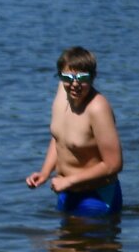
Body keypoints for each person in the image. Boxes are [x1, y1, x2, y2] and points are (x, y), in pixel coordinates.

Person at [26, 47, 123, 217]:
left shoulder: (98, 108)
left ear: (93, 77)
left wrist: (69, 181)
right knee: (58, 243)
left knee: (79, 241)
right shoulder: (62, 94)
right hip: (66, 192)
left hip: (96, 196)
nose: (75, 84)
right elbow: (59, 138)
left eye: (82, 78)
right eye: (68, 78)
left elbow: (114, 164)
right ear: (60, 76)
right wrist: (45, 172)